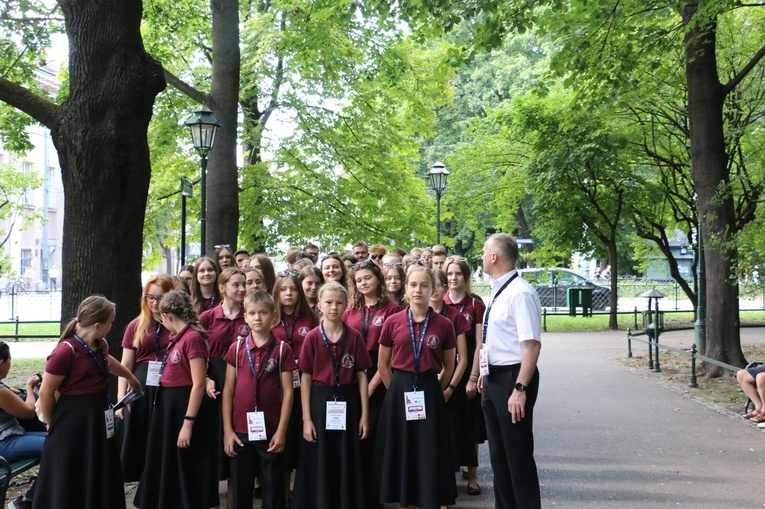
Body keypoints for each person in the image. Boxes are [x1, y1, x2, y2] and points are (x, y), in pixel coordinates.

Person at [33, 295, 141, 509]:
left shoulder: (99, 344)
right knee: (73, 473)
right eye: (110, 323)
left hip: (97, 418)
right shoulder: (65, 351)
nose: (112, 326)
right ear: (97, 325)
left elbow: (107, 361)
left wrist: (130, 376)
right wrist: (51, 421)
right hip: (73, 421)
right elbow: (46, 391)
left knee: (99, 469)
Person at [376, 266, 457, 509]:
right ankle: (406, 499)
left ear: (434, 290)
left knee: (429, 448)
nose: (418, 290)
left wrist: (436, 391)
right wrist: (395, 391)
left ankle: (430, 498)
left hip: (429, 390)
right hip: (399, 389)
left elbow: (450, 366)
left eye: (424, 285)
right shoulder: (392, 322)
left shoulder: (444, 325)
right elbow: (383, 365)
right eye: (413, 285)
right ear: (406, 290)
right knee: (404, 446)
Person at [134, 290, 217, 509]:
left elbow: (198, 383)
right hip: (168, 408)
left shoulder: (192, 339)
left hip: (182, 407)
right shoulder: (177, 338)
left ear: (168, 315)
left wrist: (188, 423)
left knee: (186, 464)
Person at [292, 282, 371, 509]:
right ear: (319, 306)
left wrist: (364, 415)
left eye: (339, 303)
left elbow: (362, 375)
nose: (334, 307)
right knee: (320, 455)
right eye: (328, 302)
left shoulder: (354, 337)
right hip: (319, 400)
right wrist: (307, 419)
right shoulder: (313, 337)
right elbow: (305, 377)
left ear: (346, 306)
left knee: (346, 455)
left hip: (347, 400)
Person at [478, 233, 542, 509]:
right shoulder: (497, 290)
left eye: (483, 252)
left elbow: (531, 346)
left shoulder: (521, 293)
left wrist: (520, 389)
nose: (481, 257)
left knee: (517, 457)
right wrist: (483, 372)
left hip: (512, 378)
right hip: (492, 377)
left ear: (494, 257)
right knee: (498, 457)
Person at [222, 290, 296, 509]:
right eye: (252, 313)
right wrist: (228, 431)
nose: (257, 318)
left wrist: (282, 431)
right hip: (239, 430)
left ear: (274, 316)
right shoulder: (236, 349)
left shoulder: (283, 349)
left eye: (263, 313)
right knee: (240, 486)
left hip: (271, 430)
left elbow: (288, 392)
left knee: (273, 488)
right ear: (245, 317)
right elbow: (228, 390)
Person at [343, 260, 401, 507]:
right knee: (356, 436)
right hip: (354, 374)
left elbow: (392, 354)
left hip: (381, 375)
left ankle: (377, 494)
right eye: (359, 280)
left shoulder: (392, 309)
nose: (363, 283)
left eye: (367, 278)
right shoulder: (349, 310)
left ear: (378, 278)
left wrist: (373, 385)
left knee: (376, 435)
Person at [116, 274, 174, 483]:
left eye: (160, 298)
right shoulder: (136, 325)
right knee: (139, 438)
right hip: (140, 386)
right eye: (150, 297)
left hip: (169, 385)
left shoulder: (177, 323)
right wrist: (121, 399)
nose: (155, 303)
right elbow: (125, 365)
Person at [200, 267, 249, 486]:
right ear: (222, 288)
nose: (242, 289)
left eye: (244, 284)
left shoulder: (249, 315)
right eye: (236, 285)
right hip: (214, 382)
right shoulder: (207, 317)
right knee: (212, 436)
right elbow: (197, 354)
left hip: (243, 379)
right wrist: (205, 379)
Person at [271, 270, 319, 497]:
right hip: (276, 387)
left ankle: (302, 493)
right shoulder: (270, 318)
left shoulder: (310, 319)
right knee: (283, 440)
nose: (288, 293)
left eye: (292, 289)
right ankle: (282, 495)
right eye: (283, 289)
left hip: (305, 387)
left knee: (303, 439)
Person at [444, 256, 487, 495]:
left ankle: (472, 477)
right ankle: (448, 471)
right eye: (449, 274)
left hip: (469, 366)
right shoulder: (441, 301)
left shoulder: (475, 304)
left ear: (466, 277)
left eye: (457, 274)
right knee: (449, 423)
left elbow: (480, 342)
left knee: (470, 425)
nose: (453, 278)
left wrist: (473, 376)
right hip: (448, 368)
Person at [0, 343, 44, 509]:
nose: (10, 366)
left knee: (59, 438)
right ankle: (26, 500)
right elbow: (28, 412)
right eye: (10, 362)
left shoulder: (4, 389)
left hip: (11, 436)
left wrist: (12, 392)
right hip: (5, 442)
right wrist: (29, 388)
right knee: (57, 445)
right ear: (1, 363)